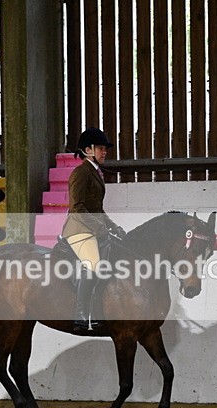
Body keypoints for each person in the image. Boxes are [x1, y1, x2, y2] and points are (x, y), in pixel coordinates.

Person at [61, 127, 126, 332]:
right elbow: (77, 207)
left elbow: (97, 209)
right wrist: (99, 227)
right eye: (100, 148)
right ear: (88, 150)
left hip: (92, 227)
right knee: (94, 265)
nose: (104, 152)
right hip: (79, 229)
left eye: (104, 149)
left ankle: (98, 315)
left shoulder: (95, 172)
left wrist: (114, 227)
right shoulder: (80, 173)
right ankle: (81, 315)